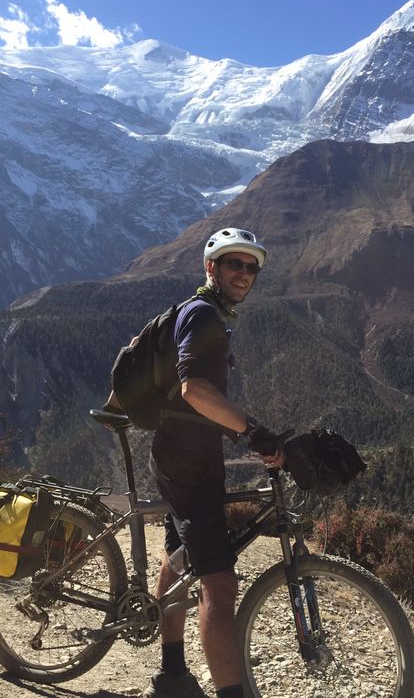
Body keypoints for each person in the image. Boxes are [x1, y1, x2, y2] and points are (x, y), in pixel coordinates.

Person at [107, 227, 283, 698]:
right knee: (219, 584)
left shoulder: (207, 313)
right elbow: (193, 389)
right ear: (212, 268)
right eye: (233, 264)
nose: (244, 274)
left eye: (251, 267)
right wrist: (250, 430)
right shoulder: (203, 314)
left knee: (177, 554)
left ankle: (171, 672)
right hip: (183, 456)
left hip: (191, 450)